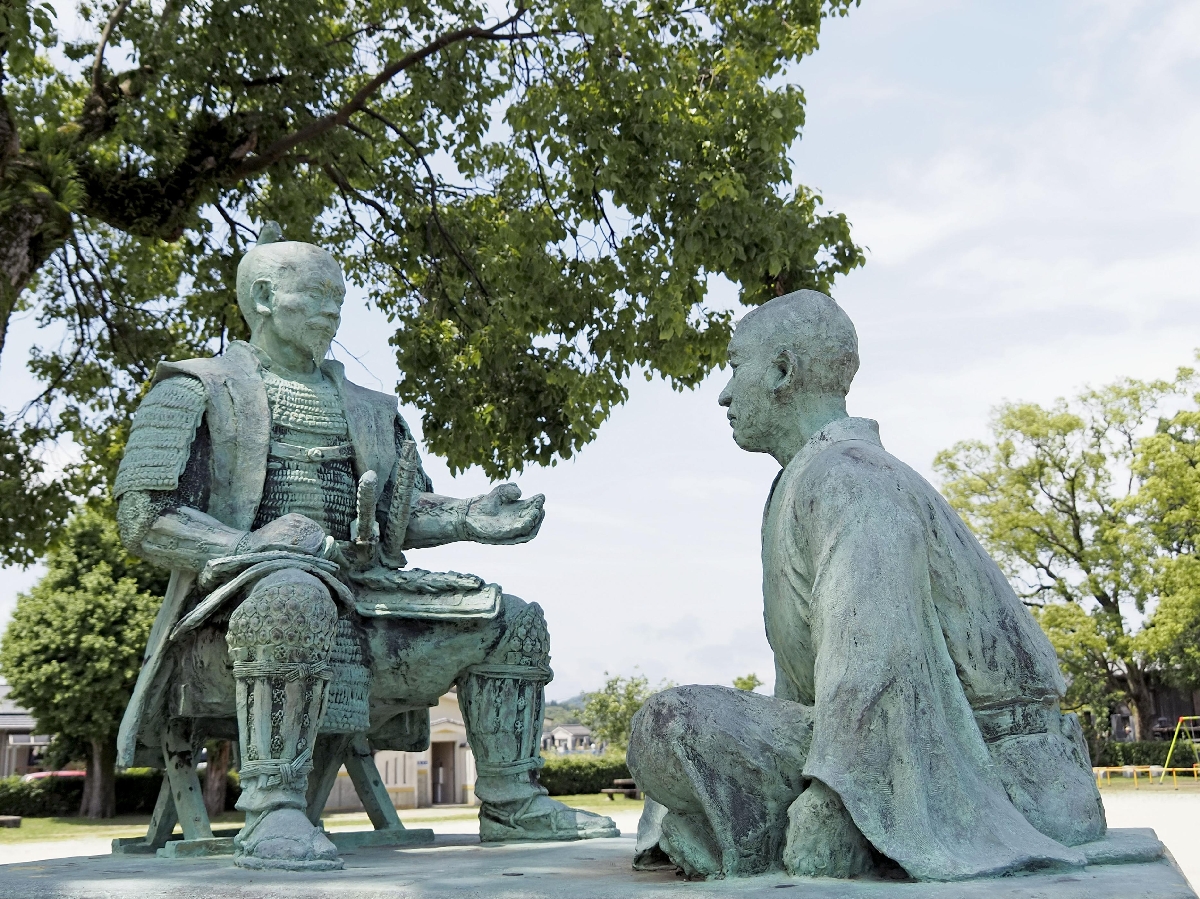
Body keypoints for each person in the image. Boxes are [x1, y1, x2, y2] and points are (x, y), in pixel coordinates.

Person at [114, 223, 616, 871]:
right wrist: (249, 541)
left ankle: (511, 799)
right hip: (236, 616)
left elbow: (401, 514)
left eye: (340, 298)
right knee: (293, 594)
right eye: (318, 295)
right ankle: (274, 808)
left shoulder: (372, 407)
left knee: (510, 618)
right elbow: (144, 515)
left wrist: (469, 515)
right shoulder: (193, 388)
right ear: (263, 296)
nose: (334, 311)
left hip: (367, 601)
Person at [626, 290, 1105, 881]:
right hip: (920, 747)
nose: (724, 393)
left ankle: (785, 820)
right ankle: (730, 830)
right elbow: (806, 691)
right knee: (681, 742)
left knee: (669, 723)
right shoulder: (808, 476)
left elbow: (878, 655)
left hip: (997, 776)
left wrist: (836, 806)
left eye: (734, 366)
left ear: (781, 371)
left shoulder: (851, 478)